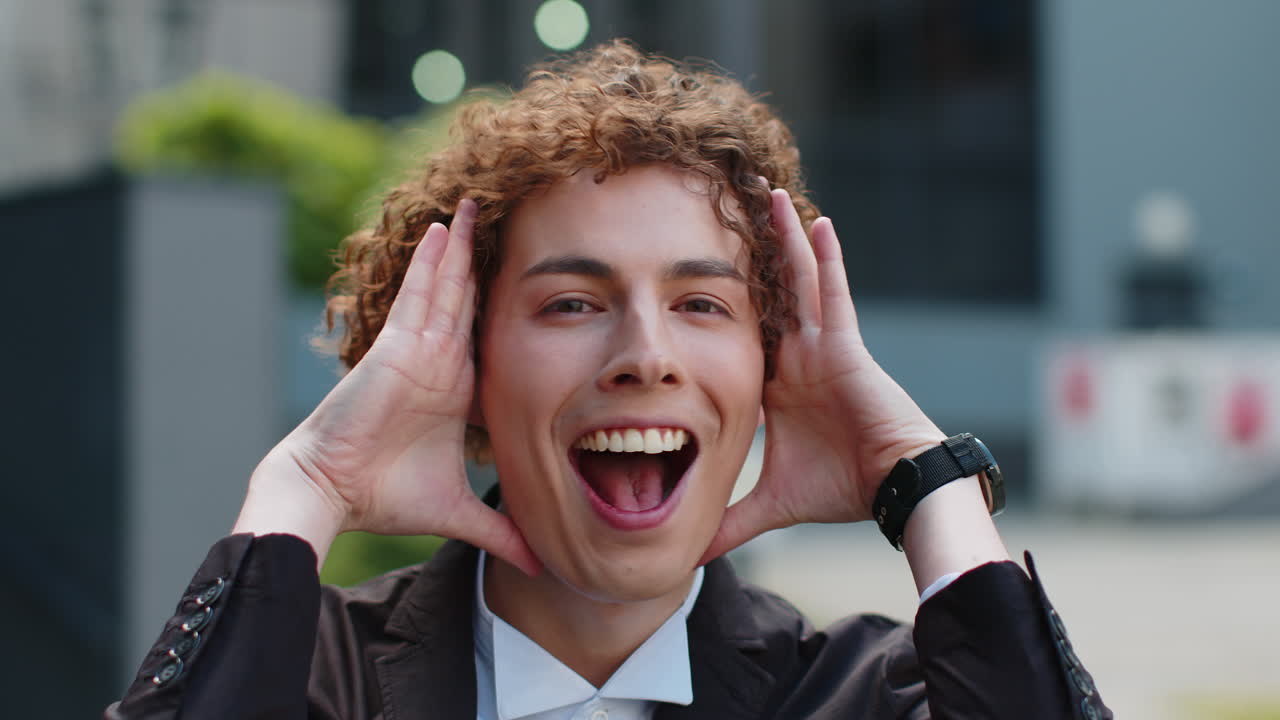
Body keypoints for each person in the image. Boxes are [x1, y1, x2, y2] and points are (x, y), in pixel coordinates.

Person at [107, 41, 1110, 719]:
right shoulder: (313, 680)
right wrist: (307, 484)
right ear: (464, 369)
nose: (645, 353)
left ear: (764, 373)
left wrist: (922, 483)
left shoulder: (865, 693)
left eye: (700, 304)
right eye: (570, 304)